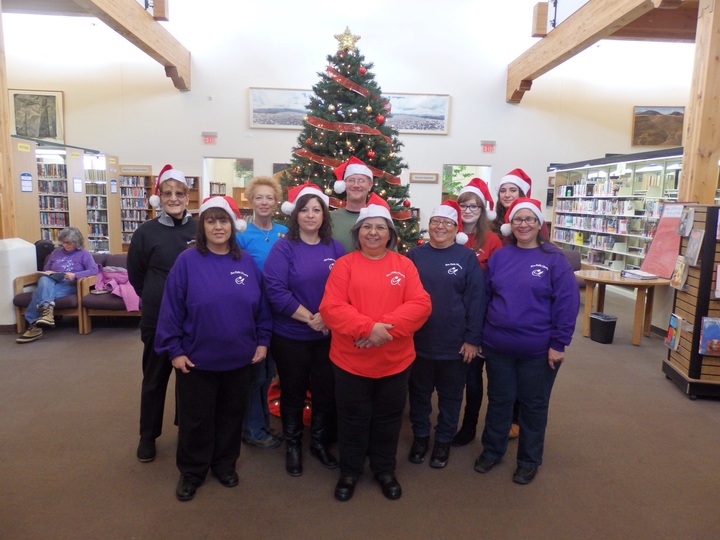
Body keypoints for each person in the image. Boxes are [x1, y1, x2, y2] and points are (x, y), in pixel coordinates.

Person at [155, 196, 272, 502]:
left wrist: (262, 340)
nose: (218, 227)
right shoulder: (187, 261)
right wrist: (174, 350)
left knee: (231, 416)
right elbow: (171, 308)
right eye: (211, 221)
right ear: (202, 225)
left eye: (224, 221)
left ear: (233, 226)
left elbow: (260, 306)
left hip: (239, 358)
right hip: (196, 359)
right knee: (196, 420)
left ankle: (224, 465)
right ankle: (192, 472)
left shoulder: (245, 261)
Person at [320, 194, 431, 502]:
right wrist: (368, 329)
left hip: (395, 362)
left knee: (389, 417)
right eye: (366, 227)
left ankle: (384, 469)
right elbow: (331, 307)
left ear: (390, 234)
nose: (373, 232)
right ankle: (350, 471)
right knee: (352, 418)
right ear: (357, 233)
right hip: (350, 362)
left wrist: (380, 331)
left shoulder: (404, 265)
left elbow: (421, 305)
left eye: (380, 227)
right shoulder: (344, 266)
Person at [473, 198, 579, 485]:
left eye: (529, 219)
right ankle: (492, 451)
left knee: (533, 405)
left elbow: (567, 304)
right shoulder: (500, 257)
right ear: (510, 224)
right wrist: (481, 336)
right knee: (499, 401)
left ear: (539, 224)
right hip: (498, 346)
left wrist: (559, 343)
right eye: (518, 220)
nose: (523, 224)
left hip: (538, 350)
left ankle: (529, 460)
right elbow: (485, 297)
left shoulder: (554, 259)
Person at [264, 182, 345, 477]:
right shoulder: (284, 247)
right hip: (291, 336)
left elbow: (344, 289)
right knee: (293, 393)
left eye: (316, 210)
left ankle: (319, 443)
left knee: (325, 392)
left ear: (324, 215)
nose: (310, 215)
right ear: (295, 215)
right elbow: (275, 290)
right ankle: (293, 445)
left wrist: (325, 317)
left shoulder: (335, 248)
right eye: (305, 210)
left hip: (327, 336)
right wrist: (310, 318)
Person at [406, 201, 486, 469]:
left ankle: (442, 441)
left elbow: (477, 300)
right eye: (435, 222)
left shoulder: (466, 258)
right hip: (418, 342)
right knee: (419, 394)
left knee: (451, 396)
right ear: (428, 227)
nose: (440, 227)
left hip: (455, 344)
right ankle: (420, 437)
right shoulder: (414, 255)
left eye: (447, 223)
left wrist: (473, 339)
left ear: (456, 229)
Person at [127, 164, 198, 463]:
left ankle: (187, 431)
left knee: (190, 380)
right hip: (157, 319)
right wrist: (157, 297)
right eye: (167, 193)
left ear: (187, 196)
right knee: (155, 379)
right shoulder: (145, 232)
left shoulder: (199, 230)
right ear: (158, 197)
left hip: (193, 320)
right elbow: (136, 274)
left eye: (179, 193)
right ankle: (148, 436)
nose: (173, 198)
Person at [489, 168, 548, 439]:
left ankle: (517, 420)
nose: (507, 195)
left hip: (530, 324)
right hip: (500, 313)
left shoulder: (539, 237)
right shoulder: (491, 227)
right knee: (500, 385)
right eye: (503, 190)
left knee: (526, 385)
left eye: (513, 190)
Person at [236, 176, 287, 449]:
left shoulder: (284, 231)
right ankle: (252, 429)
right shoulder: (241, 236)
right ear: (251, 201)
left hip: (282, 313)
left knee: (269, 374)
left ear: (276, 202)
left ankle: (262, 425)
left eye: (269, 197)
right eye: (259, 197)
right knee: (256, 374)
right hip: (255, 313)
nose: (264, 202)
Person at [451, 178, 503, 447]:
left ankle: (469, 425)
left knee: (473, 379)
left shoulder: (492, 241)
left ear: (483, 211)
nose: (468, 210)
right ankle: (446, 421)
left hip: (478, 320)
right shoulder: (447, 233)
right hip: (449, 320)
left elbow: (496, 285)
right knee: (451, 378)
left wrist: (481, 332)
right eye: (464, 205)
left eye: (474, 206)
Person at [16, 227, 98, 344]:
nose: (66, 245)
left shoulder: (84, 254)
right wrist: (48, 272)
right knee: (44, 279)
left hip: (70, 284)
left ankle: (34, 325)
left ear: (77, 242)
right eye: (63, 242)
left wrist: (75, 275)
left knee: (39, 293)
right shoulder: (55, 253)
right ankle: (46, 313)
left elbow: (94, 271)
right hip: (53, 281)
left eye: (69, 243)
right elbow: (46, 269)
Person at [330, 156, 374, 253]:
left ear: (370, 185)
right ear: (344, 184)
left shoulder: (378, 218)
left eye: (361, 181)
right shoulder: (329, 218)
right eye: (351, 180)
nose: (356, 185)